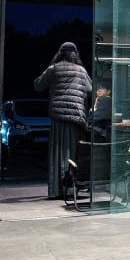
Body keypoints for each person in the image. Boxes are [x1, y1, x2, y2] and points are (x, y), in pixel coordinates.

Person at [34, 42, 92, 199]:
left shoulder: (54, 69)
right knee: (74, 153)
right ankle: (71, 189)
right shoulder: (81, 70)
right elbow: (90, 89)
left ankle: (57, 190)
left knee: (57, 153)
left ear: (60, 53)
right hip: (76, 118)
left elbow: (38, 85)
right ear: (75, 54)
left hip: (58, 118)